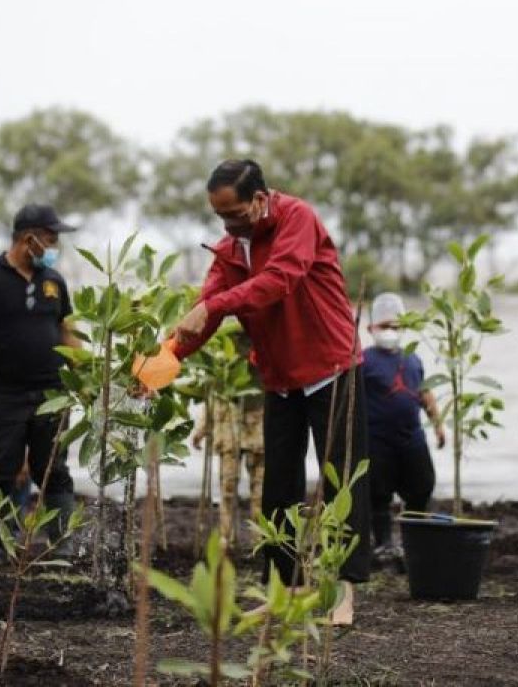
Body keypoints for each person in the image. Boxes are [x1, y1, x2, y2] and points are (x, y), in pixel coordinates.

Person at [172, 159, 371, 619]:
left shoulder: (297, 218)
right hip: (280, 378)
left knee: (341, 480)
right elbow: (204, 317)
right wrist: (159, 364)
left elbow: (281, 279)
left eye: (237, 213)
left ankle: (342, 593)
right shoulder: (230, 249)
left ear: (260, 198)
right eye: (222, 217)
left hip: (332, 367)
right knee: (278, 489)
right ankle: (285, 591)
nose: (231, 224)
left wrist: (214, 304)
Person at [0, 204, 81, 568]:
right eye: (51, 239)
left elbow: (67, 332)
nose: (55, 247)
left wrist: (85, 378)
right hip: (2, 393)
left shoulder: (54, 281)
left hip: (51, 393)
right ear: (29, 238)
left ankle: (62, 548)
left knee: (52, 468)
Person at [362, 292, 444, 563]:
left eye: (395, 327)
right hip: (377, 439)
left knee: (422, 487)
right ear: (370, 329)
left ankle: (413, 543)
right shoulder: (363, 361)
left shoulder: (412, 359)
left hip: (412, 437)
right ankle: (384, 544)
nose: (390, 332)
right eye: (384, 326)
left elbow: (425, 392)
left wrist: (438, 425)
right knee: (378, 493)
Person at [190, 331, 265, 549]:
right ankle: (227, 536)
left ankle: (258, 538)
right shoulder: (222, 353)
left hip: (258, 424)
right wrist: (202, 428)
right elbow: (213, 391)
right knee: (228, 487)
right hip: (228, 425)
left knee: (260, 489)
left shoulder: (263, 345)